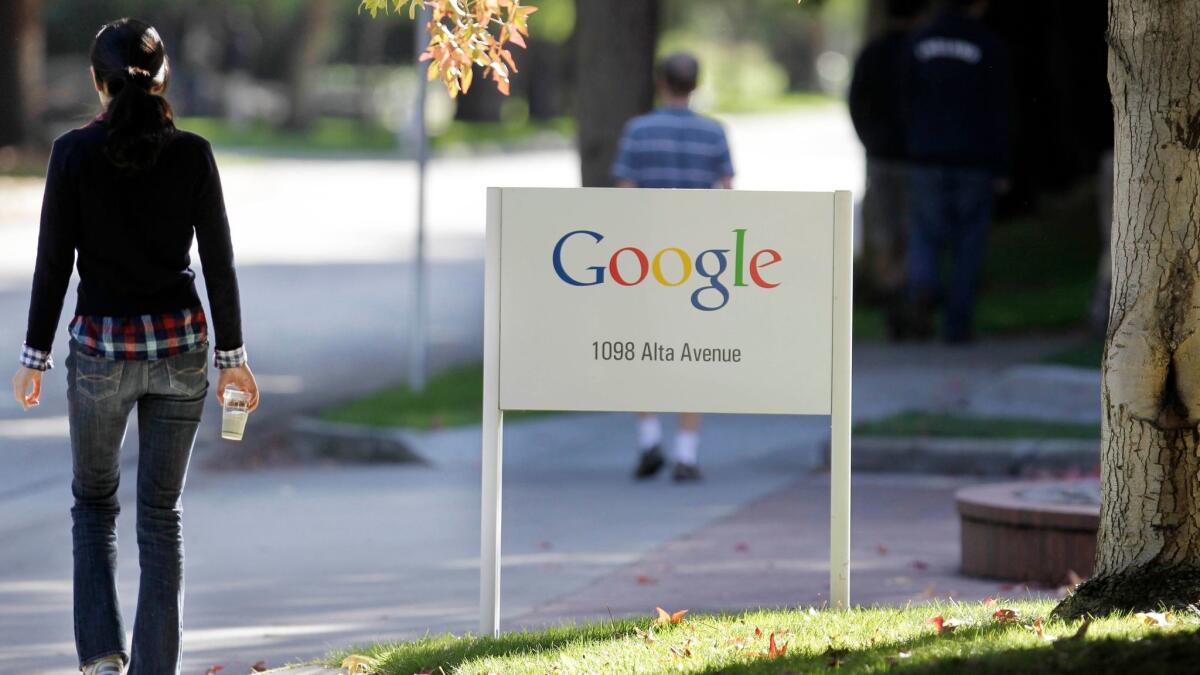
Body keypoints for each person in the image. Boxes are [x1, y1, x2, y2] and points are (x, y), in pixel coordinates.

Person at [9, 18, 260, 675]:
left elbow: (52, 264)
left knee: (94, 504)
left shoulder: (71, 153)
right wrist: (233, 361)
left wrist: (34, 357)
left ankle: (100, 658)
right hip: (181, 351)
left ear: (98, 82)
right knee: (160, 515)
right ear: (164, 78)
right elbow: (220, 265)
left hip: (99, 354)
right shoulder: (194, 153)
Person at [611, 52, 734, 482]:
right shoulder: (714, 133)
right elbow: (727, 193)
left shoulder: (638, 132)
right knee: (694, 352)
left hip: (647, 257)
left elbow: (625, 194)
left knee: (641, 347)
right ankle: (687, 453)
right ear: (696, 85)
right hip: (699, 261)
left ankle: (648, 439)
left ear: (661, 83)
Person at [901, 0, 1011, 343]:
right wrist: (1002, 164)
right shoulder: (987, 43)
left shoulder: (918, 42)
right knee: (969, 242)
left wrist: (911, 140)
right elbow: (1001, 106)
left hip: (926, 155)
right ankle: (957, 325)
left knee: (925, 233)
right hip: (975, 159)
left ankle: (924, 286)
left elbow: (901, 96)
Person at [848, 0, 927, 340]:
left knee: (886, 235)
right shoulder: (920, 52)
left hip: (881, 157)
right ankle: (911, 306)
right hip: (915, 156)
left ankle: (893, 303)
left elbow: (856, 101)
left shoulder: (873, 53)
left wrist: (871, 140)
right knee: (915, 233)